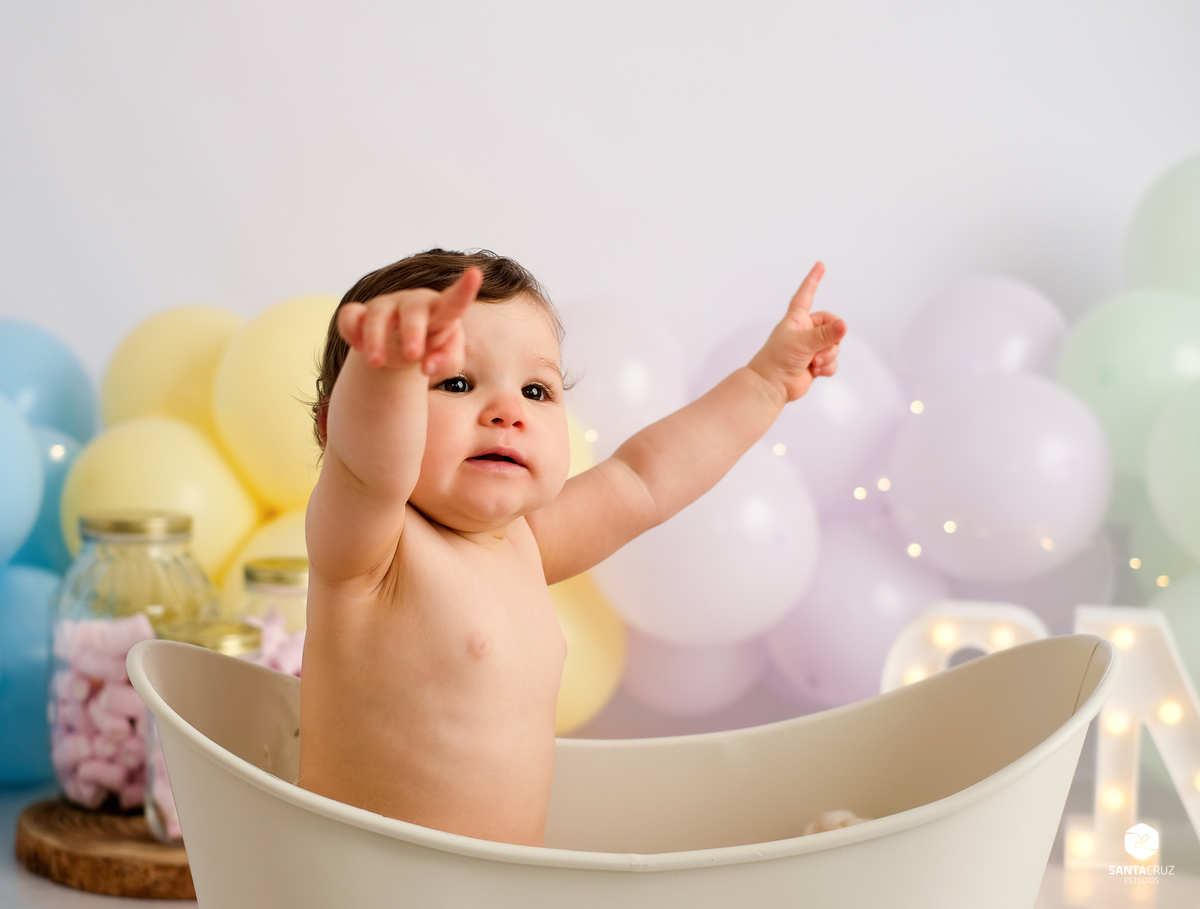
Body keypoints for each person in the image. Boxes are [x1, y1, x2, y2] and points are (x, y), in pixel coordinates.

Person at [299, 248, 847, 847]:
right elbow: (370, 463)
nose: (508, 411)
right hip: (366, 881)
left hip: (505, 885)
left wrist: (765, 383)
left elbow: (646, 478)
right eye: (455, 382)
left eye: (537, 390)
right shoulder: (371, 548)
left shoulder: (525, 544)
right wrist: (384, 369)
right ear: (332, 426)